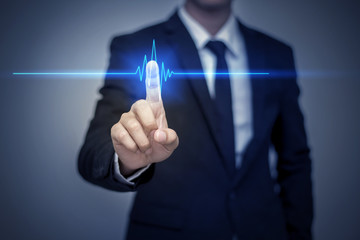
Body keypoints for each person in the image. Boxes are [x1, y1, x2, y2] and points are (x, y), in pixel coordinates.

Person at [78, 0, 313, 239]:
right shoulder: (135, 46)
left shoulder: (276, 55)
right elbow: (92, 153)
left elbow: (294, 159)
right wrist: (126, 159)